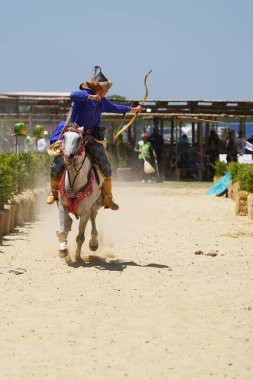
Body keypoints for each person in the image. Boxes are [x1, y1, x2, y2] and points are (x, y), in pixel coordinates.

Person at [47, 66, 142, 210]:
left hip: (91, 138)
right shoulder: (83, 96)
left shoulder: (103, 101)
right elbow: (73, 95)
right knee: (57, 163)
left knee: (105, 166)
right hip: (74, 135)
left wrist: (132, 110)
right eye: (106, 89)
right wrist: (89, 96)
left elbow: (116, 108)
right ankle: (54, 192)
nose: (108, 91)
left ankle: (108, 197)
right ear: (99, 89)